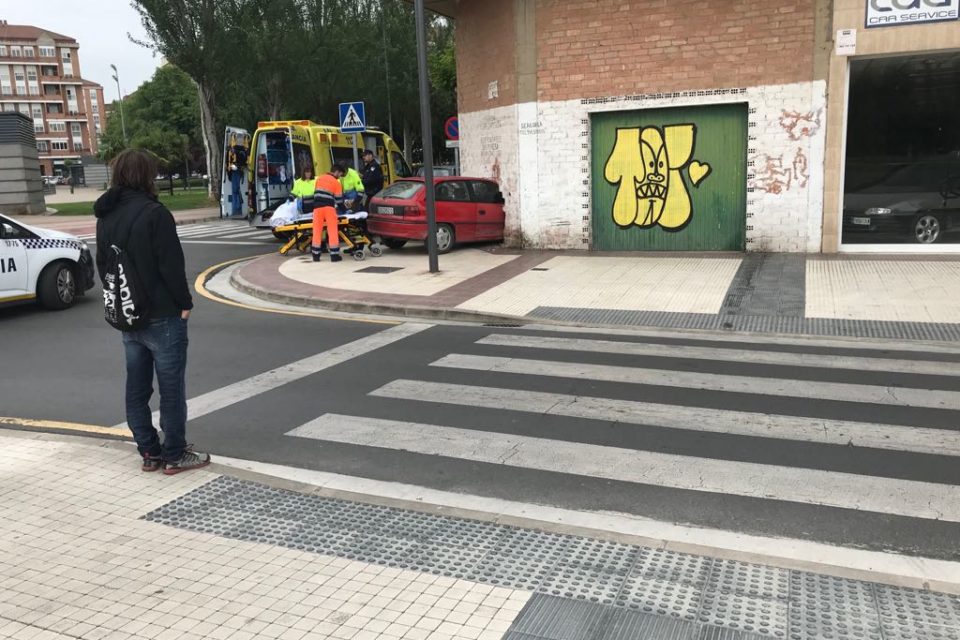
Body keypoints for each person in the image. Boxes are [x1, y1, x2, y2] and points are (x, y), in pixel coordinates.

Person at [94, 149, 210, 475]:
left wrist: (126, 298)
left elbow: (105, 267)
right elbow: (171, 267)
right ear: (146, 175)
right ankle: (174, 453)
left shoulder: (106, 216)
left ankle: (149, 451)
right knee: (171, 391)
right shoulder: (155, 214)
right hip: (162, 315)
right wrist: (185, 304)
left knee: (137, 387)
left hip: (128, 315)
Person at [313, 163, 345, 262]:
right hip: (329, 208)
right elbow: (339, 201)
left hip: (317, 208)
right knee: (332, 230)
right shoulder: (336, 182)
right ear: (336, 172)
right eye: (340, 174)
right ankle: (334, 255)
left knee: (317, 230)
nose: (340, 177)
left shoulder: (319, 178)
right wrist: (345, 210)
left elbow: (316, 193)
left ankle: (316, 255)